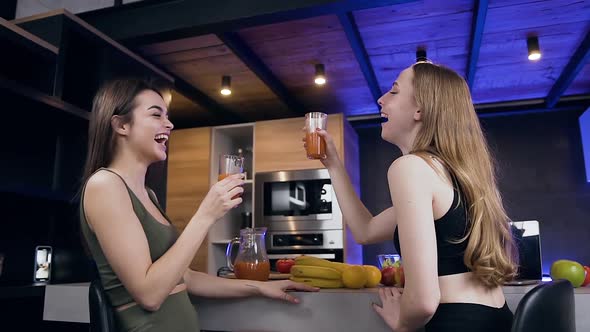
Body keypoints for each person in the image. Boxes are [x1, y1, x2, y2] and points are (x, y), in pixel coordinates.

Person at [80, 78, 316, 332]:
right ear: (121, 125)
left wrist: (260, 286)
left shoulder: (148, 195)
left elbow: (187, 277)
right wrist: (206, 214)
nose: (169, 124)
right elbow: (149, 294)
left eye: (167, 116)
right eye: (156, 114)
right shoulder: (104, 185)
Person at [307, 62, 518, 332]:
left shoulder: (411, 168)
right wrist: (334, 164)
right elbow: (366, 231)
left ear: (421, 109)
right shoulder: (455, 173)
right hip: (495, 319)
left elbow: (423, 302)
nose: (381, 99)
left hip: (454, 322)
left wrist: (403, 324)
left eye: (394, 92)